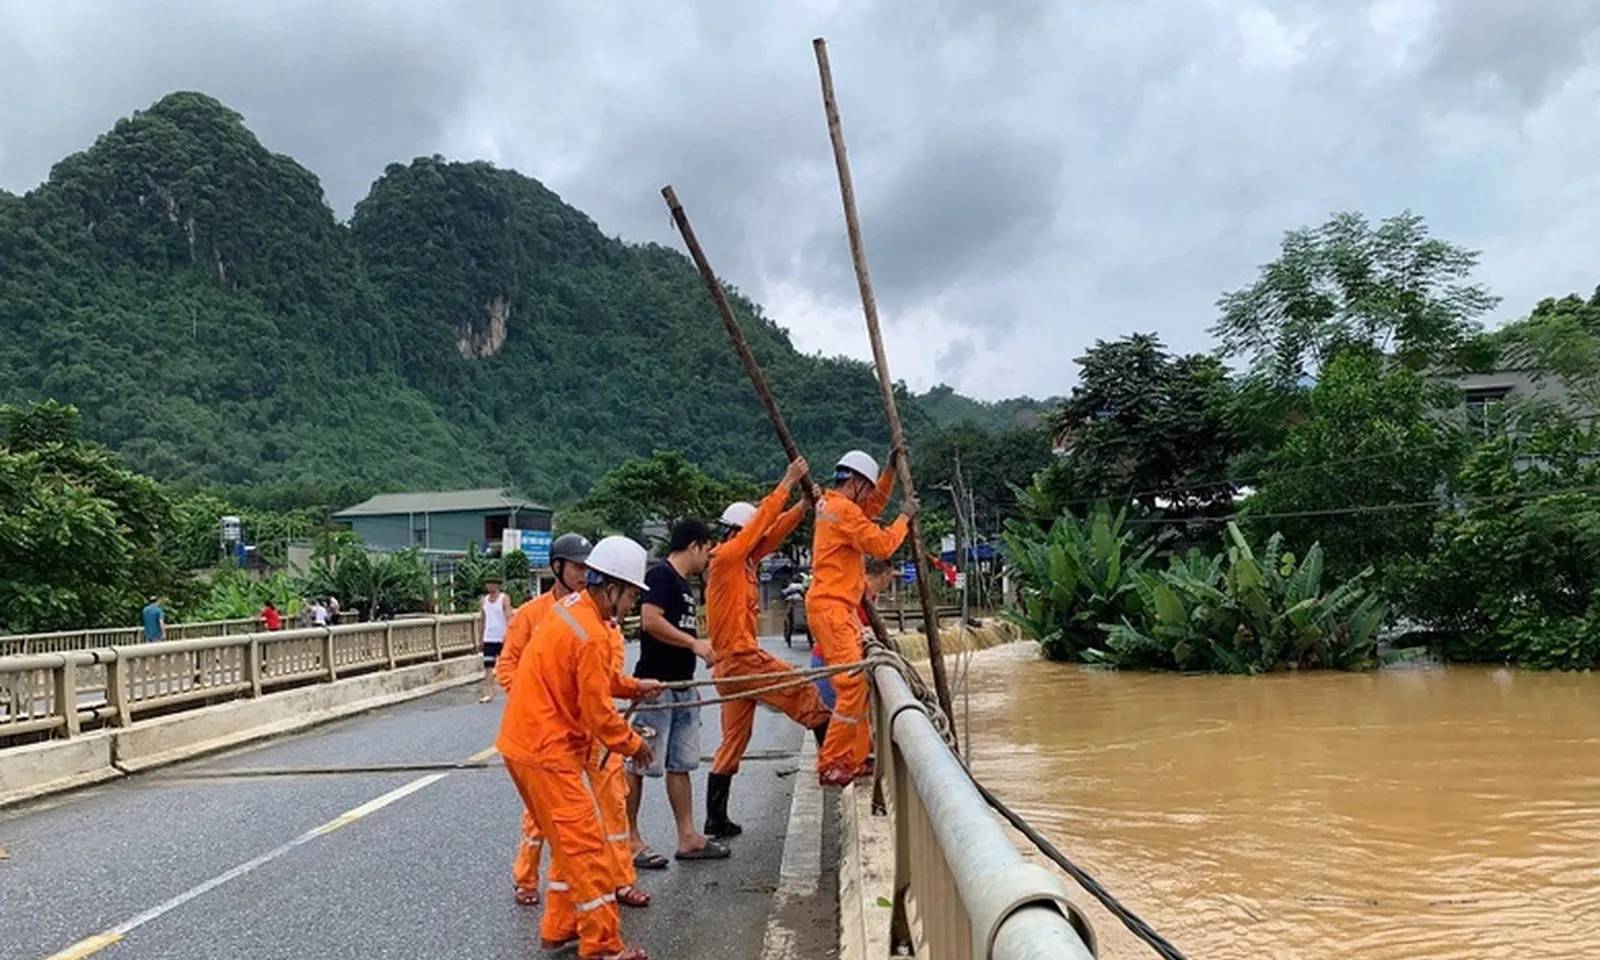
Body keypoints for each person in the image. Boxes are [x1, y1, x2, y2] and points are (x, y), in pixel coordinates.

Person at [496, 535, 662, 960]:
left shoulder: (570, 612)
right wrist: (634, 744)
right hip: (547, 751)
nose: (629, 606)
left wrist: (632, 686)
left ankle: (560, 927)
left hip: (525, 746)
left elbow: (593, 682)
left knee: (567, 845)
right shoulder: (589, 631)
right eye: (629, 596)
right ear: (611, 587)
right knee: (587, 847)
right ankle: (603, 946)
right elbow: (598, 714)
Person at [703, 457, 832, 838]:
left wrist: (801, 508)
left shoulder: (744, 561)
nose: (757, 544)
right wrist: (788, 482)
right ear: (738, 534)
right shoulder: (726, 558)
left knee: (734, 740)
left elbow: (769, 533)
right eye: (749, 537)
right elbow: (761, 525)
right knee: (806, 693)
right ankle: (833, 765)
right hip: (739, 661)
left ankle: (715, 818)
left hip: (732, 669)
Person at [493, 533, 597, 908]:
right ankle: (526, 877)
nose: (584, 574)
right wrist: (531, 701)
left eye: (588, 567)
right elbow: (507, 665)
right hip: (541, 734)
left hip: (582, 728)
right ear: (558, 568)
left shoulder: (592, 611)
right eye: (578, 567)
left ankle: (604, 881)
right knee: (540, 814)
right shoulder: (531, 614)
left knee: (594, 808)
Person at [807, 449, 915, 787]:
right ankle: (833, 762)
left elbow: (871, 506)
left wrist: (888, 473)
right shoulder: (842, 511)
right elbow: (882, 546)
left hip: (835, 607)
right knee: (852, 685)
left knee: (858, 684)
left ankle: (852, 758)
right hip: (833, 608)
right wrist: (904, 519)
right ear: (854, 483)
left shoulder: (834, 507)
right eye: (867, 488)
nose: (870, 497)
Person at [626, 519, 725, 867]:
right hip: (656, 687)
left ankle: (687, 836)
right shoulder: (661, 576)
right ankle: (629, 839)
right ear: (695, 545)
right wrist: (693, 643)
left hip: (683, 688)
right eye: (707, 551)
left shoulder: (685, 586)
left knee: (680, 764)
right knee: (637, 761)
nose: (708, 560)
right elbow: (650, 620)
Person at [813, 556, 897, 712]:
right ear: (885, 575)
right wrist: (861, 629)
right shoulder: (857, 587)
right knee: (833, 714)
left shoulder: (870, 595)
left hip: (848, 659)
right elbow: (848, 611)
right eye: (891, 577)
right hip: (830, 659)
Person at [479, 574, 512, 703]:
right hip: (489, 637)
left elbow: (508, 617)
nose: (489, 586)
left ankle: (511, 691)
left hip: (502, 637)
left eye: (492, 584)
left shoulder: (504, 599)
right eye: (488, 584)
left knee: (507, 666)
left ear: (497, 585)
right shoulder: (484, 600)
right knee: (488, 666)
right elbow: (482, 620)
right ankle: (489, 693)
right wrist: (480, 638)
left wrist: (510, 635)